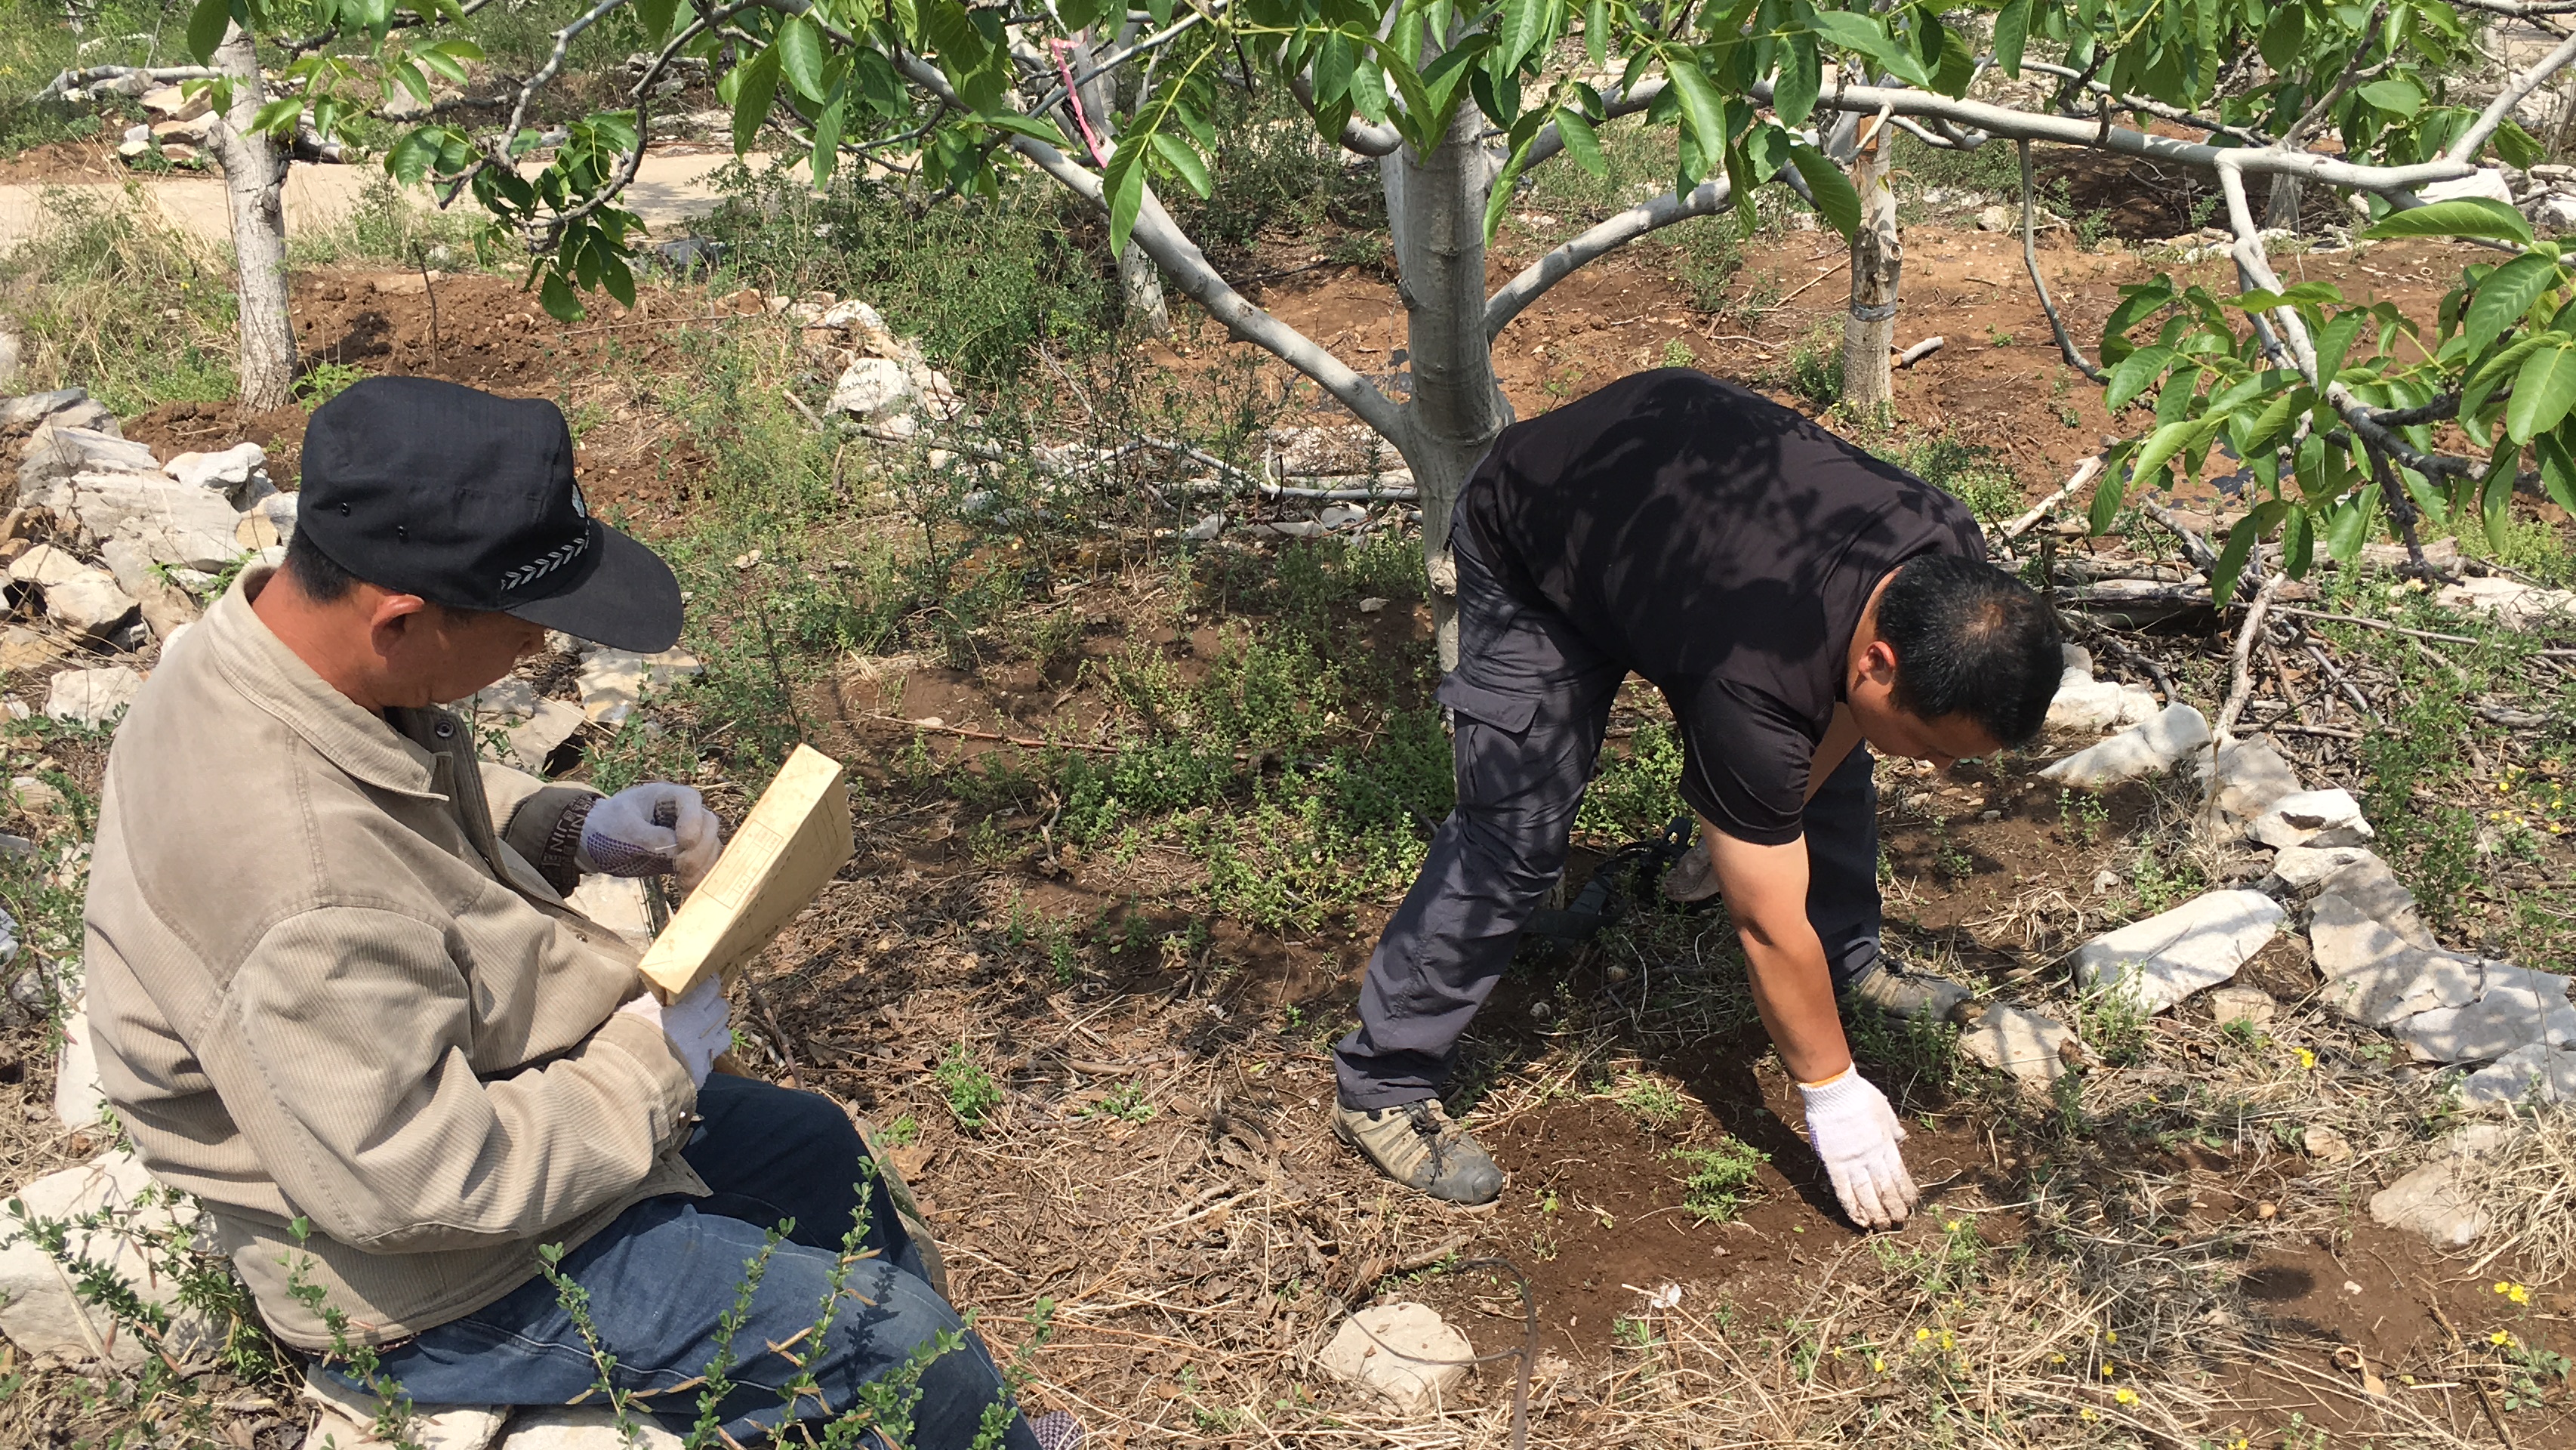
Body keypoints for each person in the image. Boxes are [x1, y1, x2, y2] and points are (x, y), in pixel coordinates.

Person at [84, 378, 1060, 1448]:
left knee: (813, 1148)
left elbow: (378, 802)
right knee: (887, 1339)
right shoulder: (297, 891)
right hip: (442, 1278)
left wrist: (568, 828)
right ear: (401, 620)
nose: (537, 653)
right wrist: (648, 1065)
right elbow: (413, 1182)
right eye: (526, 630)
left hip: (485, 1101)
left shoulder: (262, 652)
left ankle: (929, 1424)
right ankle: (931, 1408)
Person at [1330, 369, 2062, 1229]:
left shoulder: (1949, 562)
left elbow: (1823, 738)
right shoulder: (1752, 675)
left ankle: (1849, 960)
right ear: (1879, 660)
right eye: (1935, 746)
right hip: (1544, 538)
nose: (1935, 770)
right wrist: (1832, 1093)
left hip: (1680, 534)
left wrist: (1754, 829)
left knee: (1823, 772)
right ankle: (1382, 1082)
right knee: (1514, 830)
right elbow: (1765, 928)